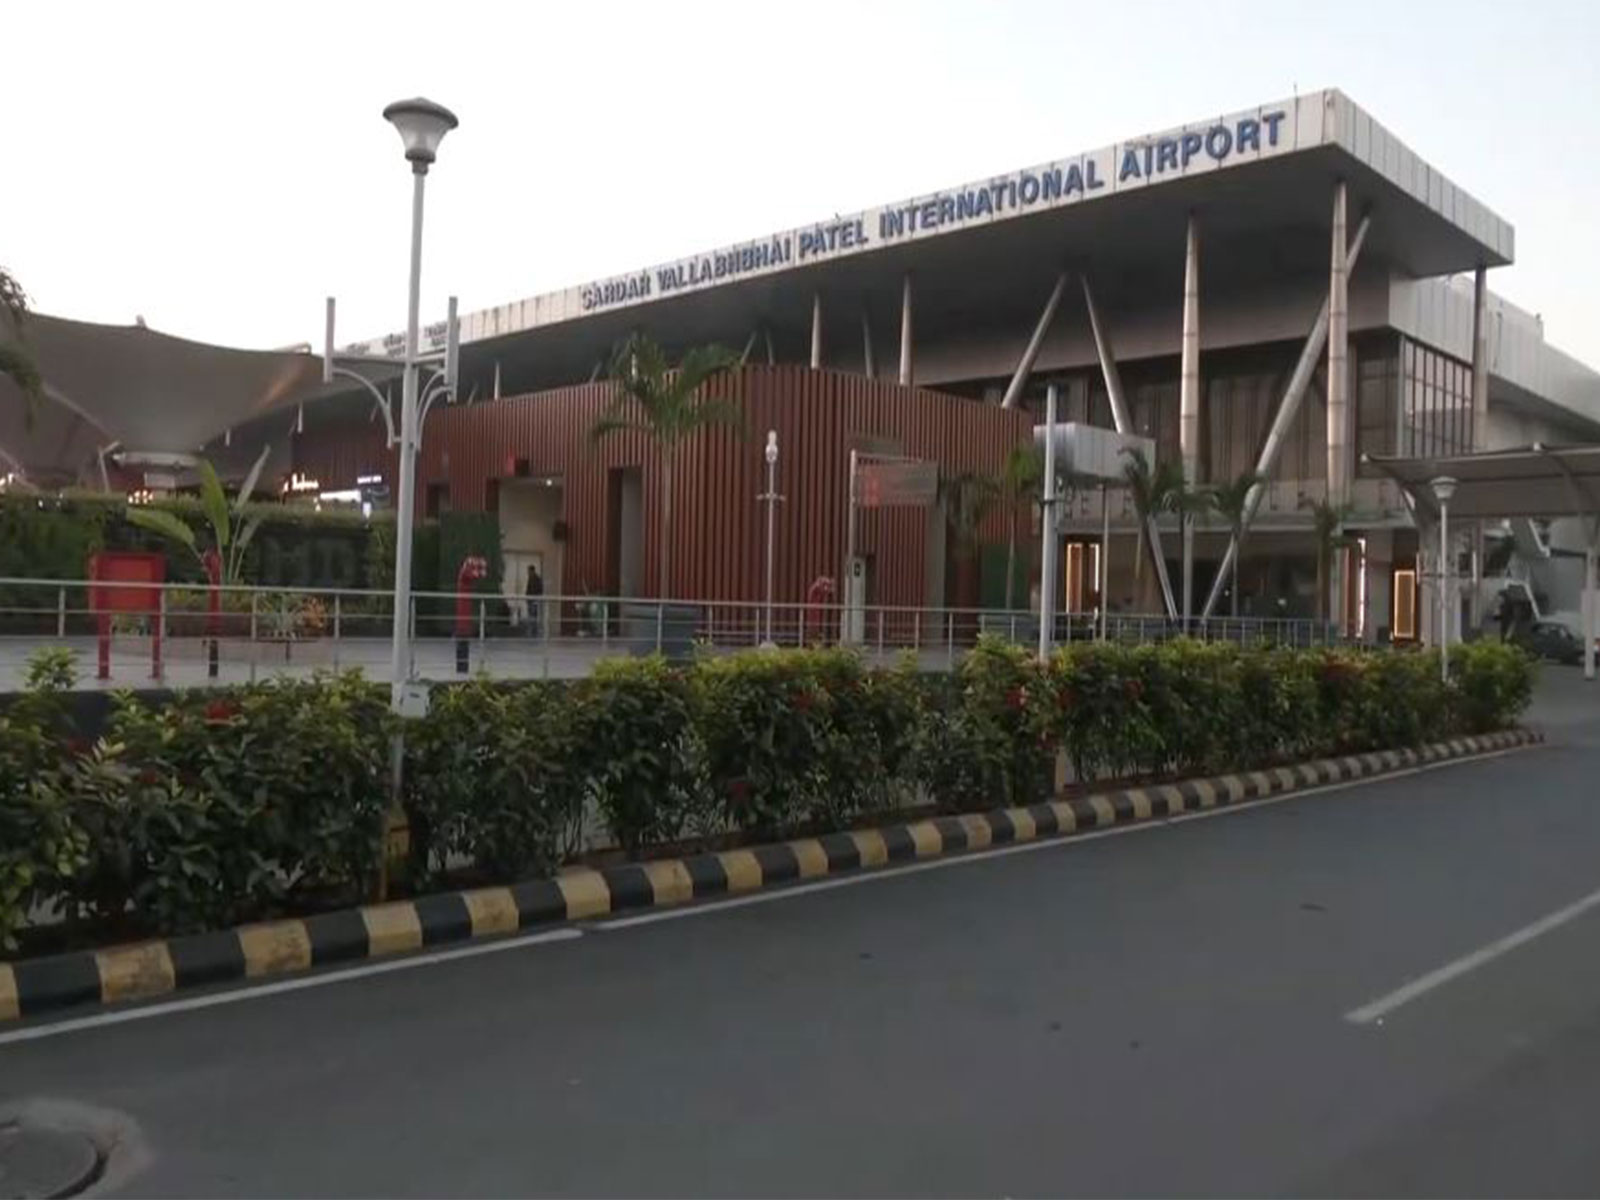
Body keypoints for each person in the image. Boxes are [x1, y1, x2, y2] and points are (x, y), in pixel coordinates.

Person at [525, 564, 544, 638]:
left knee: (533, 615)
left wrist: (537, 598)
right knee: (531, 615)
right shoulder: (530, 578)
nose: (528, 572)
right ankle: (532, 630)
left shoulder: (537, 579)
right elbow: (528, 588)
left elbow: (540, 590)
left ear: (532, 570)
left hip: (534, 599)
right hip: (530, 600)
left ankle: (534, 630)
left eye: (529, 571)